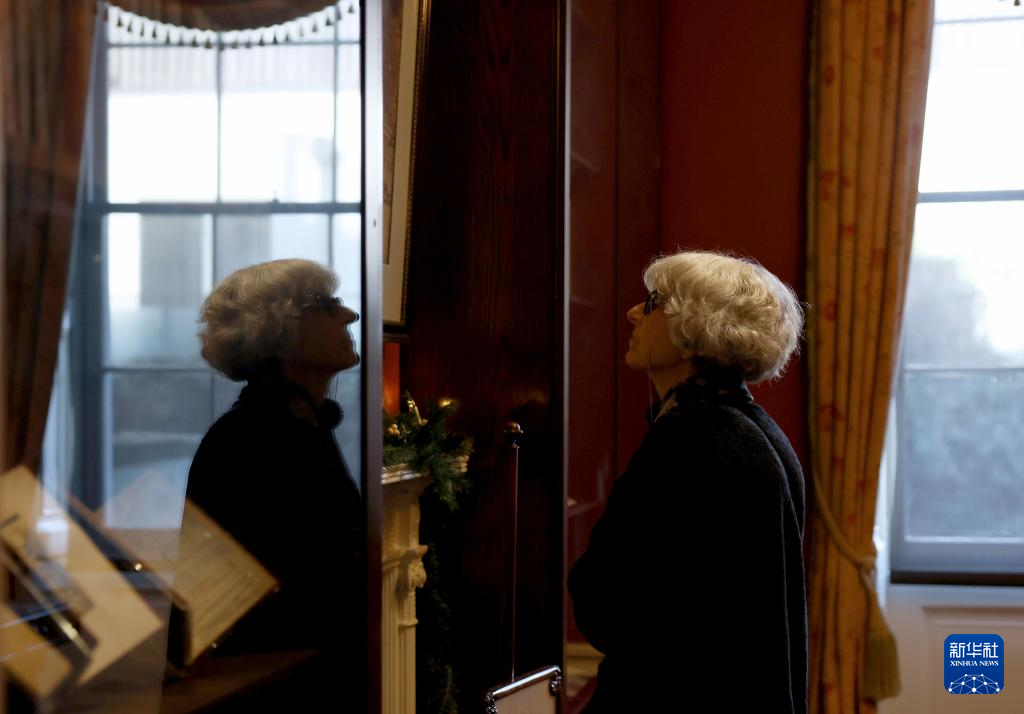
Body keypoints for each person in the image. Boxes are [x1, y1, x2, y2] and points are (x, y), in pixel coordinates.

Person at [568, 250, 808, 713]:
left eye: (653, 303)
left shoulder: (689, 436)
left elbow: (605, 601)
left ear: (693, 331)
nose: (633, 312)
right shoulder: (759, 429)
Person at [184, 258, 363, 708]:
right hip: (278, 688)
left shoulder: (297, 422)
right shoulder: (250, 437)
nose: (349, 314)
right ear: (278, 330)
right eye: (326, 304)